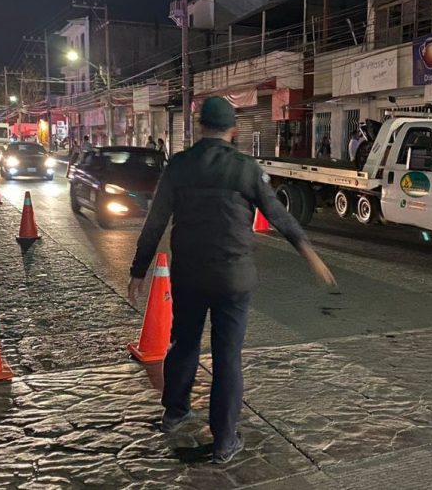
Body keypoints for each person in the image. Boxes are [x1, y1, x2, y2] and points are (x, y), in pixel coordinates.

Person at [128, 97, 336, 465]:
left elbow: (155, 222)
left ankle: (175, 412)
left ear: (198, 125)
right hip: (234, 279)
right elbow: (278, 215)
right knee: (227, 357)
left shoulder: (179, 166)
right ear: (233, 129)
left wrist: (138, 271)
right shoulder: (245, 168)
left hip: (189, 276)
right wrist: (309, 253)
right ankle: (224, 441)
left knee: (184, 343)